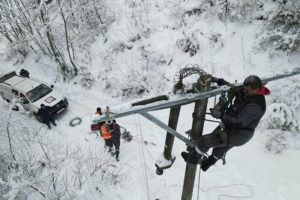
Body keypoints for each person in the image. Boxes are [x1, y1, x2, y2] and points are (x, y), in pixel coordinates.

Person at [181, 75, 270, 171]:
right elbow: (232, 89)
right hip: (234, 130)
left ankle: (192, 159)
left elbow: (238, 123)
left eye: (247, 90)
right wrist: (218, 80)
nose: (244, 91)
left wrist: (220, 115)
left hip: (239, 134)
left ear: (256, 89)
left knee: (205, 141)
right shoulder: (247, 93)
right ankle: (207, 164)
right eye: (244, 89)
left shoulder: (256, 105)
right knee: (219, 149)